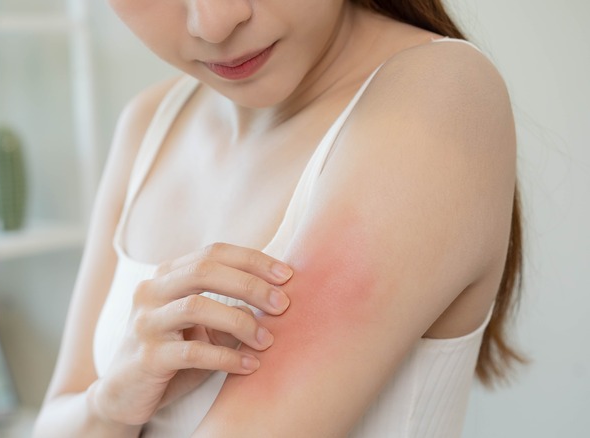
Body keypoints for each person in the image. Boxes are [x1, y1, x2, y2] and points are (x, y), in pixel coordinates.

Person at [34, 0, 525, 436]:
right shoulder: (149, 123)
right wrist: (110, 404)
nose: (215, 22)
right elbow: (55, 419)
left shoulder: (437, 98)